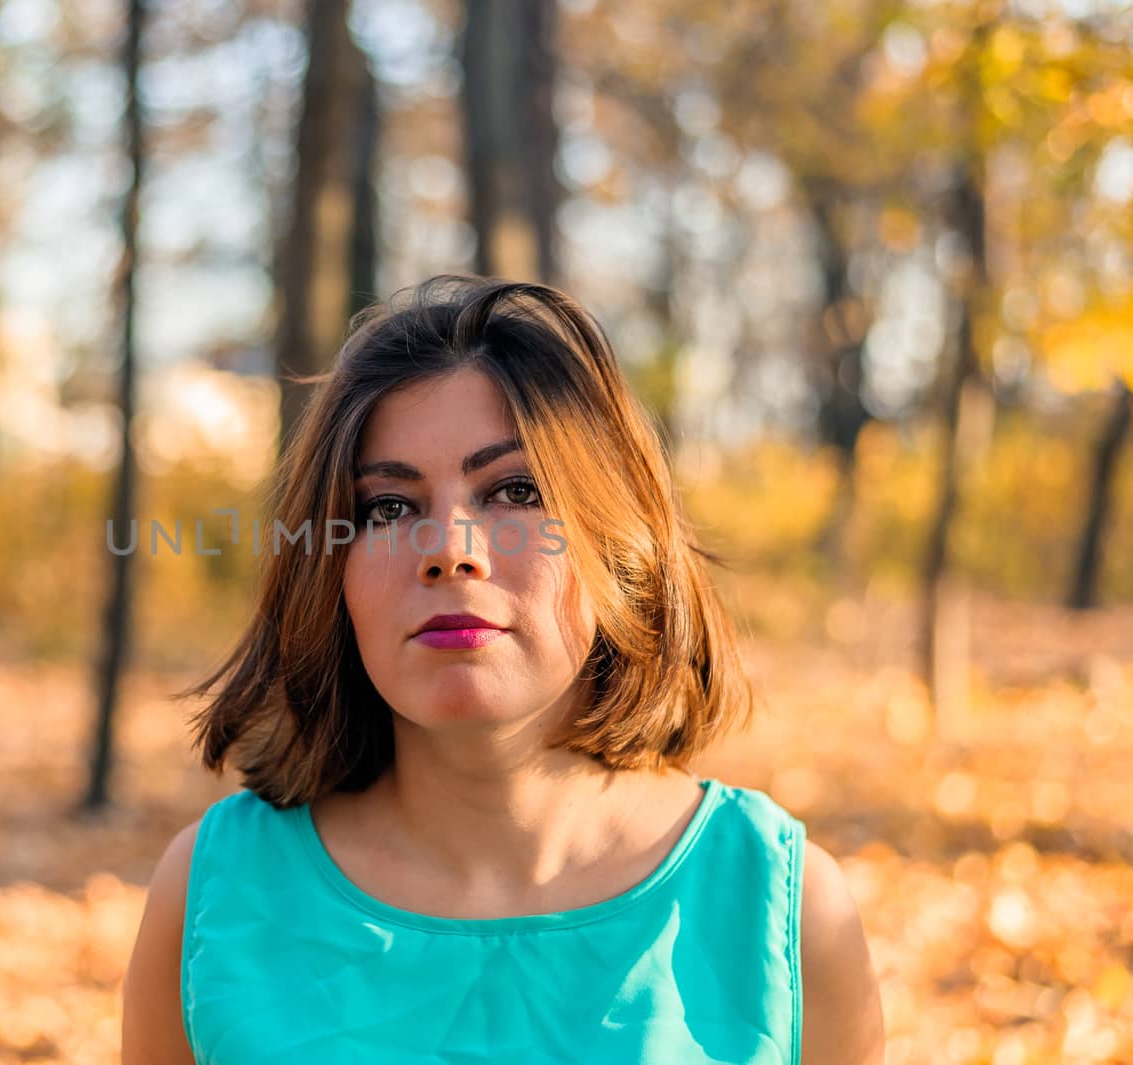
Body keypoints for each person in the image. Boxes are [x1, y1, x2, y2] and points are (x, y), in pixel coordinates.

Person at [121, 275, 885, 1064]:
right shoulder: (212, 899)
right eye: (388, 507)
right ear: (331, 569)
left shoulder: (782, 914)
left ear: (618, 543)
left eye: (515, 491)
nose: (449, 548)